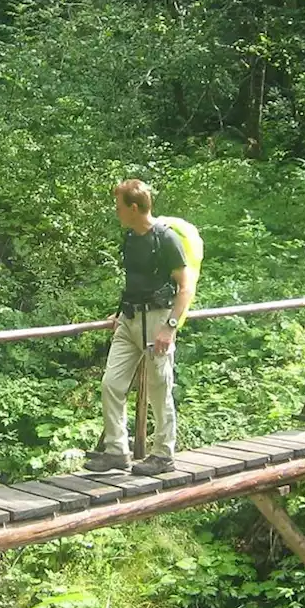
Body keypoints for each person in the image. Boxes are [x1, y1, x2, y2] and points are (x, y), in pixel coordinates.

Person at [85, 179, 197, 476]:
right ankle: (116, 451)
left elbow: (185, 287)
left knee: (160, 390)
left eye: (119, 206)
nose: (116, 211)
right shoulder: (131, 238)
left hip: (157, 320)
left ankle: (163, 455)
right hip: (129, 319)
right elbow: (135, 280)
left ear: (134, 208)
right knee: (111, 384)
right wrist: (119, 312)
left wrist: (170, 327)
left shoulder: (166, 239)